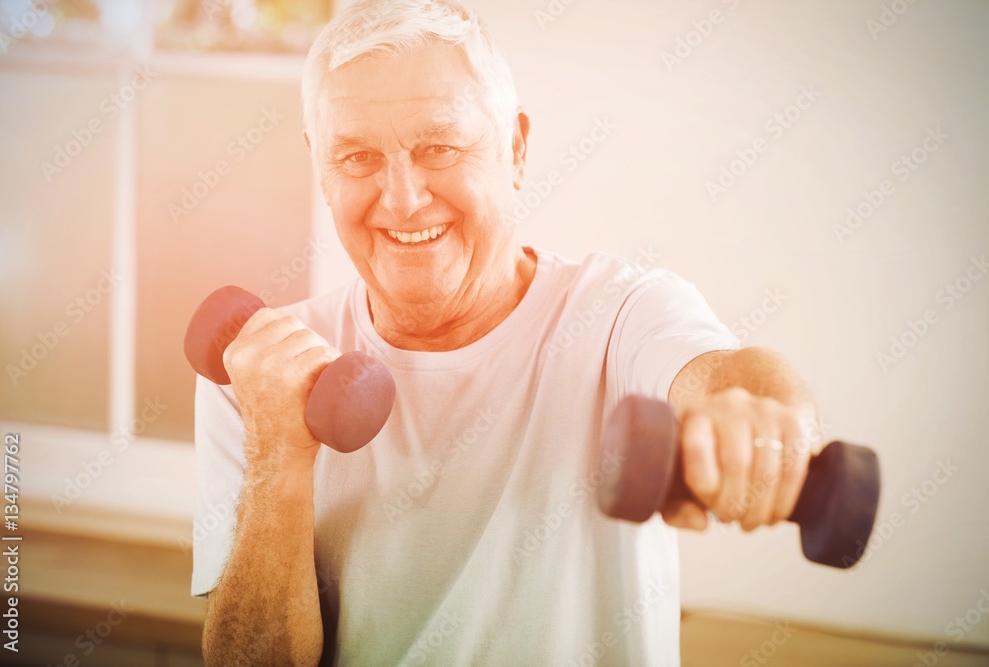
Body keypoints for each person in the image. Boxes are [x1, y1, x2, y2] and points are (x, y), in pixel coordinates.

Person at [191, 1, 820, 664]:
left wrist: (764, 416)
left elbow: (728, 374)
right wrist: (280, 458)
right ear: (319, 166)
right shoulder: (263, 374)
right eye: (357, 157)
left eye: (438, 147)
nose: (402, 198)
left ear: (515, 149)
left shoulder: (619, 315)